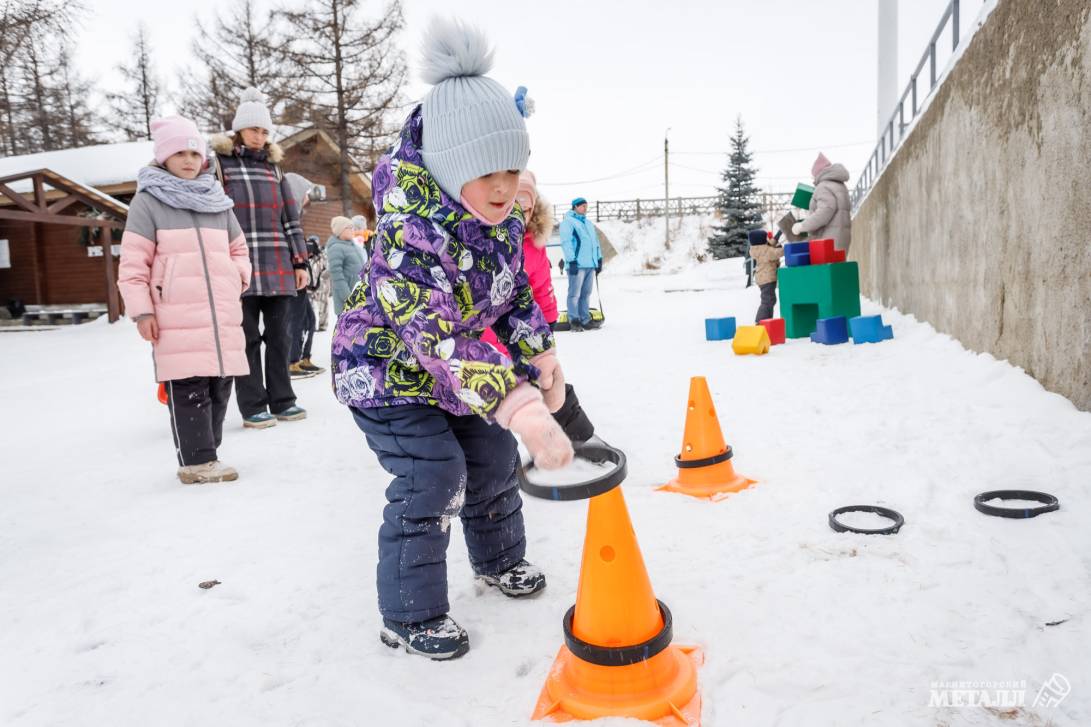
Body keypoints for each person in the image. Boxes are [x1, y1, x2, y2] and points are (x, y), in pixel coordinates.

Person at [331, 17, 574, 661]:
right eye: (483, 170)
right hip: (384, 374)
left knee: (491, 456)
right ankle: (409, 615)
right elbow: (435, 337)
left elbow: (513, 293)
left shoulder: (495, 215)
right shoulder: (410, 232)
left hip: (451, 375)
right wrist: (518, 403)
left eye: (512, 167)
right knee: (433, 473)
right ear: (445, 165)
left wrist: (537, 352)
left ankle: (498, 562)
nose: (503, 185)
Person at [117, 116, 251, 484]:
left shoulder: (217, 201)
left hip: (220, 311)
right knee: (189, 385)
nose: (189, 159)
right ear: (163, 157)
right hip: (175, 313)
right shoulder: (147, 202)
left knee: (220, 384)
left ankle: (208, 453)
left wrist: (236, 276)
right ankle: (197, 462)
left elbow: (239, 249)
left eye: (195, 152)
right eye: (179, 152)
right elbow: (132, 264)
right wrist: (142, 310)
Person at [211, 87, 309, 429]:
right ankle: (253, 404)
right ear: (239, 130)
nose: (260, 136)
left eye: (265, 131)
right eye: (254, 129)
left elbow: (290, 219)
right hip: (238, 266)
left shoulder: (275, 169)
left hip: (278, 263)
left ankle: (283, 400)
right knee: (247, 338)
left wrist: (300, 262)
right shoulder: (220, 166)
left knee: (281, 337)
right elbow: (213, 217)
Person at [284, 174, 325, 378]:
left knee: (309, 320)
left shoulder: (297, 216)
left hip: (299, 276)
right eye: (307, 194)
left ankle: (303, 358)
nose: (309, 199)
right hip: (289, 277)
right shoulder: (285, 216)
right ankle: (292, 361)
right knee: (296, 321)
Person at [558, 197, 603, 331]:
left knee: (586, 294)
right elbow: (566, 243)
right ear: (575, 207)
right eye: (582, 206)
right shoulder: (568, 222)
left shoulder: (588, 223)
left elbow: (595, 242)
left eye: (586, 206)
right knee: (574, 294)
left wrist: (598, 259)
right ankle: (574, 320)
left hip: (589, 263)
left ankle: (585, 320)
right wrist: (571, 261)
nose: (585, 208)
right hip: (577, 264)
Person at [792, 152, 852, 251]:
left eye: (813, 176)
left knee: (825, 266)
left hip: (828, 242)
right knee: (838, 266)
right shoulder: (840, 186)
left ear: (818, 173)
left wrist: (802, 226)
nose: (813, 179)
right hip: (841, 239)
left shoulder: (823, 186)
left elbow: (825, 211)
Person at [326, 215, 365, 316]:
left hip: (358, 297)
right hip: (347, 301)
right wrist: (348, 297)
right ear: (340, 230)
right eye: (349, 228)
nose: (353, 230)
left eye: (353, 228)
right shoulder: (336, 248)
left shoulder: (352, 245)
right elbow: (337, 277)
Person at [749, 228, 784, 323]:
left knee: (770, 300)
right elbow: (779, 252)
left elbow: (769, 244)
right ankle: (760, 322)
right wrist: (780, 245)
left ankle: (767, 321)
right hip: (767, 279)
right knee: (767, 301)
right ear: (761, 241)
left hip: (763, 278)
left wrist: (777, 236)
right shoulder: (767, 251)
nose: (767, 240)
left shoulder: (757, 249)